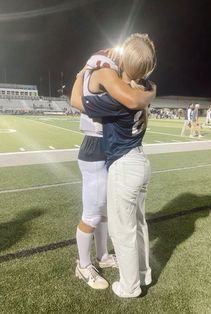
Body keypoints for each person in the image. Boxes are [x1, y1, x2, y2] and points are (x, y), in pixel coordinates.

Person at [71, 33, 157, 298]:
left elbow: (76, 100)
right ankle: (84, 264)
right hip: (106, 152)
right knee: (94, 212)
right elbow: (134, 97)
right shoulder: (143, 87)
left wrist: (84, 71)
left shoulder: (124, 94)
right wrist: (91, 69)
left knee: (108, 215)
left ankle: (102, 255)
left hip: (118, 158)